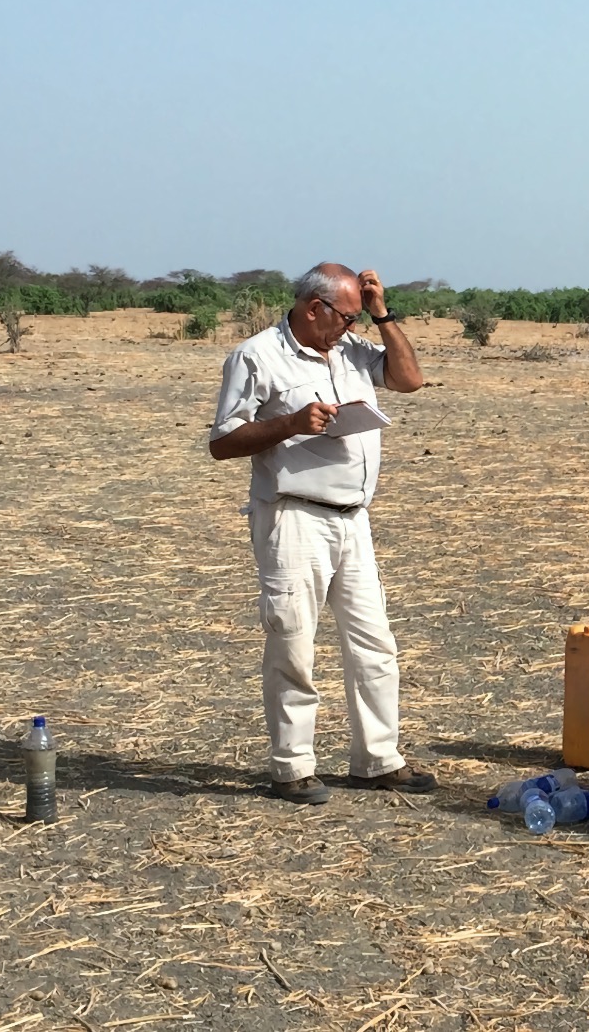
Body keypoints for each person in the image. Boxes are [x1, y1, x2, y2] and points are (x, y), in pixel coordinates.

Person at [208, 262, 437, 805]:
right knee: (293, 642)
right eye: (347, 316)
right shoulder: (256, 356)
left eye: (360, 316)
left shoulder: (352, 348)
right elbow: (222, 442)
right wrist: (289, 423)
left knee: (374, 643)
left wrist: (383, 315)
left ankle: (378, 760)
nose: (351, 328)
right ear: (315, 308)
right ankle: (292, 767)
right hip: (293, 516)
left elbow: (409, 379)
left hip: (354, 518)